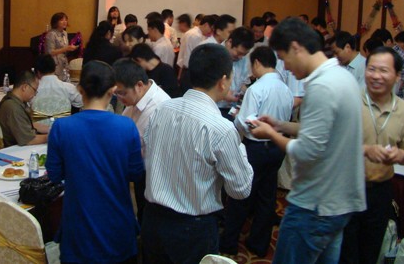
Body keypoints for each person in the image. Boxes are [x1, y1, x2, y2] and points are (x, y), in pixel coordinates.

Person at [250, 17, 366, 264]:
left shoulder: (321, 86)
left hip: (314, 203)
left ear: (296, 47)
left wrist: (271, 134)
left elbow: (306, 151)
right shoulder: (342, 76)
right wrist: (281, 125)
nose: (285, 67)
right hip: (339, 201)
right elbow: (324, 132)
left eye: (283, 58)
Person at [141, 44, 253, 264]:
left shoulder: (162, 108)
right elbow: (241, 190)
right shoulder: (221, 129)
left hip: (152, 220)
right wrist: (239, 146)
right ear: (223, 80)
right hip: (192, 229)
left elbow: (148, 150)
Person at [46, 61, 144, 263]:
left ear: (79, 89)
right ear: (112, 90)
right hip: (117, 224)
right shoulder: (126, 126)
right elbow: (136, 173)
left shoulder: (61, 127)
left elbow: (54, 175)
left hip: (78, 227)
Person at [340, 47, 404, 264]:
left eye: (383, 70)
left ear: (397, 76)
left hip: (380, 191)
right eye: (371, 69)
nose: (376, 76)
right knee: (344, 251)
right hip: (346, 188)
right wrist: (365, 150)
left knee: (371, 249)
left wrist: (400, 155)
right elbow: (334, 144)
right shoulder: (349, 101)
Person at [221, 46, 293, 257]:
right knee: (267, 196)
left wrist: (237, 119)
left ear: (258, 63)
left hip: (255, 149)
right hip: (277, 147)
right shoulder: (286, 89)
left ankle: (229, 243)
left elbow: (243, 123)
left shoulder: (257, 89)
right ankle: (259, 243)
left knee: (241, 195)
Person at [113, 58, 170, 223]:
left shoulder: (159, 107)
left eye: (122, 93)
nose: (119, 98)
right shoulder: (137, 99)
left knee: (149, 217)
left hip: (154, 176)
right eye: (116, 93)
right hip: (141, 170)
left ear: (139, 85)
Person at [0, 71, 48, 146]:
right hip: (14, 149)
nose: (35, 94)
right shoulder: (12, 107)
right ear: (25, 87)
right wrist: (53, 136)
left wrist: (51, 129)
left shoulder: (16, 101)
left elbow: (29, 124)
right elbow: (29, 140)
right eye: (34, 90)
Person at [217, 26, 254, 119]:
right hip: (216, 108)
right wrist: (224, 95)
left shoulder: (244, 59)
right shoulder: (215, 54)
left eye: (244, 54)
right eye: (239, 53)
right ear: (230, 42)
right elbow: (206, 85)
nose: (241, 57)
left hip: (233, 109)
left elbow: (244, 82)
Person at [370, 28, 404, 104]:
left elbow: (399, 84)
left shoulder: (396, 55)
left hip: (400, 100)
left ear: (389, 41)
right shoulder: (392, 52)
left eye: (381, 45)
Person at [176, 14, 215, 91]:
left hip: (185, 70)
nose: (211, 32)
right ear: (206, 25)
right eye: (211, 29)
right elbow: (199, 58)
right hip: (191, 72)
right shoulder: (196, 36)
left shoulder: (190, 32)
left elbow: (183, 56)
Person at [46, 12, 78, 81]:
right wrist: (66, 48)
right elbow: (50, 52)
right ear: (55, 22)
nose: (64, 22)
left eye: (66, 20)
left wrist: (70, 48)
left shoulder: (65, 33)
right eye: (62, 20)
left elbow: (65, 47)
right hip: (54, 63)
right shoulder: (51, 34)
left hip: (64, 62)